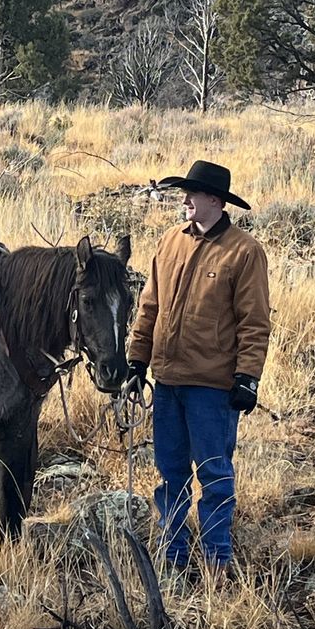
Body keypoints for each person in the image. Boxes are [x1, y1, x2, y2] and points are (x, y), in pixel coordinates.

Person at [127, 160, 270, 575]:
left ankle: (216, 561)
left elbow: (255, 321)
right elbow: (149, 306)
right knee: (169, 473)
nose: (185, 199)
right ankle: (172, 556)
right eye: (184, 192)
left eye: (192, 193)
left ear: (215, 200)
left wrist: (248, 377)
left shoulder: (245, 252)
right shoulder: (170, 241)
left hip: (212, 386)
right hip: (167, 381)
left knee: (214, 475)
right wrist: (137, 359)